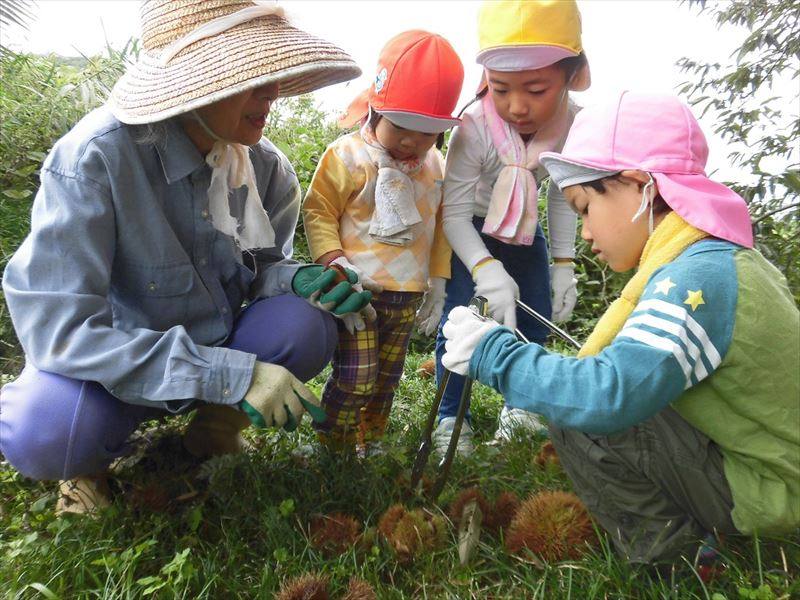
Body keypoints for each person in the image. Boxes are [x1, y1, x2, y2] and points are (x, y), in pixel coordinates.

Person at [0, 0, 371, 513]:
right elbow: (60, 329)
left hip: (216, 341)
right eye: (250, 77)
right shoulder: (97, 159)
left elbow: (259, 268)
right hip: (113, 369)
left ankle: (211, 433)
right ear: (194, 86)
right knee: (43, 432)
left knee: (305, 323)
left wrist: (297, 279)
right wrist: (233, 375)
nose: (271, 93)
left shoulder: (265, 169)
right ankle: (87, 466)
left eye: (272, 75)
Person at [441, 92, 800, 566]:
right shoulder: (722, 259)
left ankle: (677, 558)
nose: (586, 233)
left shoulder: (694, 278)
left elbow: (605, 394)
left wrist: (496, 355)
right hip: (770, 464)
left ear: (640, 186)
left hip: (767, 489)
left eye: (586, 208)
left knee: (577, 412)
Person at [432, 0, 592, 455]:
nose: (517, 106)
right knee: (459, 319)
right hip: (470, 227)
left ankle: (520, 407)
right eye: (501, 89)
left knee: (535, 311)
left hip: (523, 227)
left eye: (536, 89)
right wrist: (484, 268)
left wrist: (564, 264)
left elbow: (561, 194)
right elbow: (453, 214)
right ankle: (450, 417)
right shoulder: (474, 128)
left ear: (570, 76)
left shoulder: (573, 124)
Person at [303, 30, 464, 452]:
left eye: (427, 133)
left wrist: (438, 282)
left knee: (387, 378)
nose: (412, 141)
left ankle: (370, 439)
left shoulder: (436, 166)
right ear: (375, 109)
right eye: (401, 127)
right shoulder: (347, 155)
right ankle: (332, 442)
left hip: (408, 292)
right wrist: (334, 262)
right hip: (358, 290)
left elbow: (442, 226)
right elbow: (318, 209)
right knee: (356, 376)